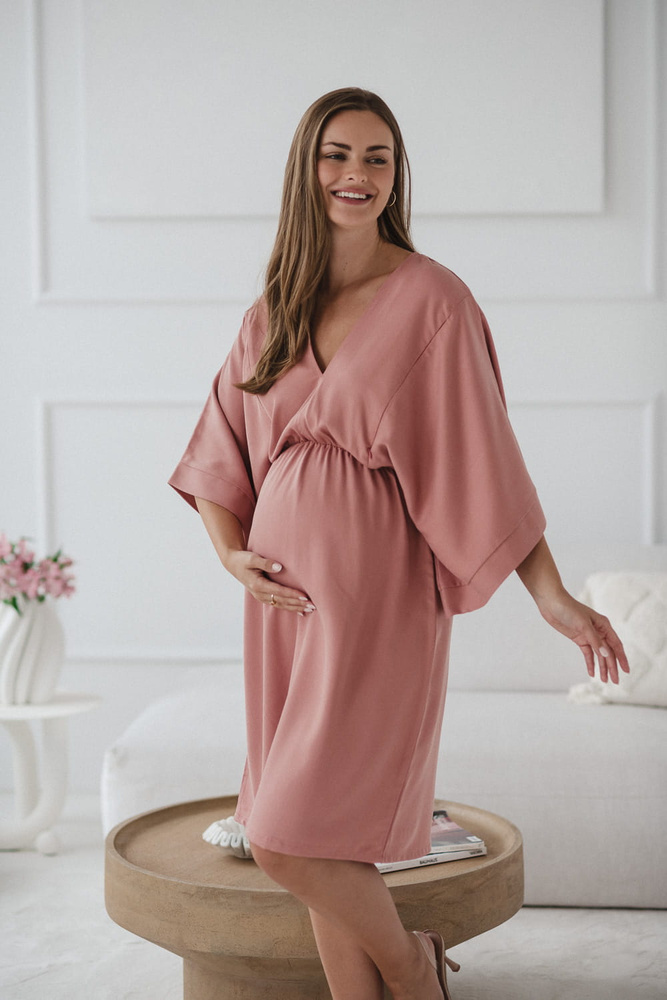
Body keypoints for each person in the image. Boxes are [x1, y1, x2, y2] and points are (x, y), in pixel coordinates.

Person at [168, 87, 629, 1000]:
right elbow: (217, 450)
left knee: (284, 838)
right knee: (321, 831)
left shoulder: (431, 298)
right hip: (284, 607)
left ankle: (413, 968)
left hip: (378, 597)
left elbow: (483, 458)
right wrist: (228, 554)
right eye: (337, 154)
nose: (358, 174)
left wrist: (551, 595)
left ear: (395, 175)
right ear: (306, 169)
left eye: (377, 158)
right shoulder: (273, 309)